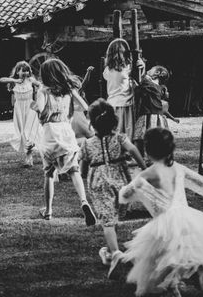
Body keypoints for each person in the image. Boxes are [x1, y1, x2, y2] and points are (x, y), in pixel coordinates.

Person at [118, 128, 203, 296]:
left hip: (164, 227)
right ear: (170, 149)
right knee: (179, 255)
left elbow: (125, 194)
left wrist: (125, 193)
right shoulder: (178, 168)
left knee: (150, 278)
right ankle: (194, 272)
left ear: (148, 151)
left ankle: (181, 277)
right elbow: (199, 182)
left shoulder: (146, 174)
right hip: (186, 220)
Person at [80, 99, 146, 274]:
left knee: (107, 220)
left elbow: (83, 168)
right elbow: (133, 150)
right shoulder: (120, 138)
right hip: (120, 181)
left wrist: (84, 174)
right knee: (113, 216)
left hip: (99, 183)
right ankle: (109, 251)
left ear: (92, 123)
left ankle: (115, 253)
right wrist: (144, 167)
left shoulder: (86, 144)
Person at [33, 58, 96, 225]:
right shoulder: (69, 90)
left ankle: (48, 210)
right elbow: (85, 107)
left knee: (48, 173)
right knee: (74, 170)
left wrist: (40, 110)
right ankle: (84, 201)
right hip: (66, 132)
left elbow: (39, 109)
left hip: (50, 133)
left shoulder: (43, 91)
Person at [0, 61, 41, 167]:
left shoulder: (30, 80)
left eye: (27, 71)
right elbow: (1, 79)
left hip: (30, 108)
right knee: (22, 133)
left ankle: (29, 157)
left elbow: (41, 85)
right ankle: (28, 156)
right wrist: (15, 80)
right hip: (19, 110)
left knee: (29, 133)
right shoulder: (14, 82)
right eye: (23, 71)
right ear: (18, 71)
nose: (26, 73)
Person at [102, 39, 136, 142]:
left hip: (112, 102)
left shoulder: (107, 69)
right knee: (127, 130)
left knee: (115, 130)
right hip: (125, 102)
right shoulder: (127, 68)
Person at [133, 65, 172, 156]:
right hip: (154, 114)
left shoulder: (151, 85)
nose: (148, 71)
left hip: (149, 114)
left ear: (157, 73)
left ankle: (143, 155)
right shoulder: (159, 87)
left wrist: (142, 68)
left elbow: (142, 81)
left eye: (150, 70)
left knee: (140, 137)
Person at [71, 66, 96, 147]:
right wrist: (88, 72)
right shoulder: (75, 92)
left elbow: (84, 84)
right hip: (77, 117)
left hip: (75, 117)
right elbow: (84, 84)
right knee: (90, 134)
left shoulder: (71, 93)